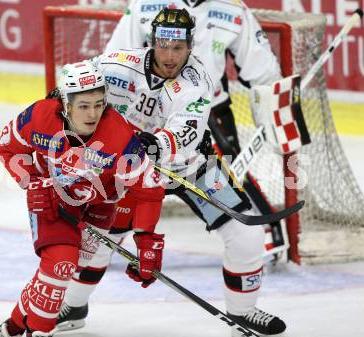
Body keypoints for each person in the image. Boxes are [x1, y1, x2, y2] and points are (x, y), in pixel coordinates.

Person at [57, 8, 286, 337]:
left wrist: (156, 146)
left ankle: (243, 313)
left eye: (178, 48)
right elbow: (77, 80)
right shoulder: (118, 62)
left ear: (190, 46)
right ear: (152, 42)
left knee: (246, 234)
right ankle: (74, 305)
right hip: (128, 169)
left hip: (189, 166)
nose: (169, 56)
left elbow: (184, 135)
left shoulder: (197, 82)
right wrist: (61, 105)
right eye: (163, 45)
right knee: (99, 237)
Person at [0, 60, 166, 337]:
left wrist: (146, 238)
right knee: (61, 263)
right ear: (65, 104)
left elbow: (148, 187)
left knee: (58, 273)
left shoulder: (119, 136)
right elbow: (8, 148)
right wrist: (33, 183)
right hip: (52, 198)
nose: (93, 114)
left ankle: (12, 328)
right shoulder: (39, 117)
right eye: (83, 106)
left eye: (99, 104)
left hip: (100, 205)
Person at [105, 0, 287, 255]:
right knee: (132, 171)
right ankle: (114, 225)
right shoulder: (144, 4)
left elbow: (263, 71)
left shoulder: (232, 8)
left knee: (228, 175)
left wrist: (273, 108)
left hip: (209, 111)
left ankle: (265, 233)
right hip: (149, 112)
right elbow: (116, 60)